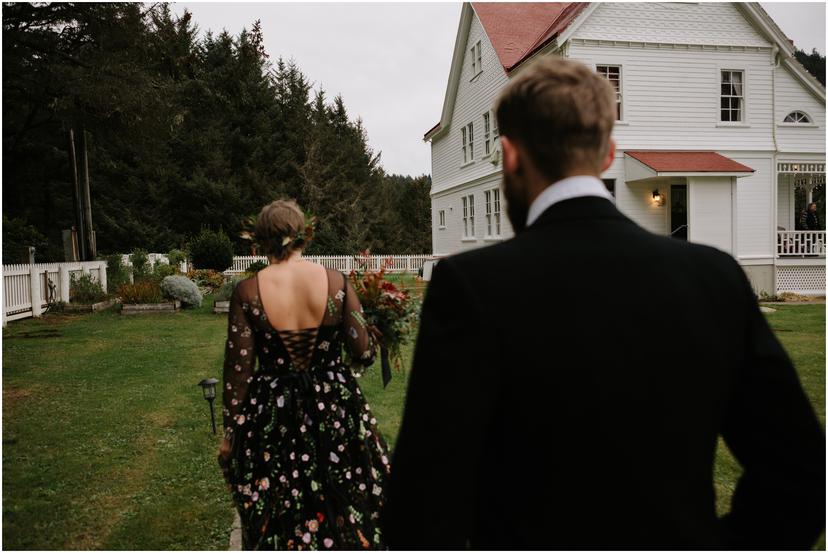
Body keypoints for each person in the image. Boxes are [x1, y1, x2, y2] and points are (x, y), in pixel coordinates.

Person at [382, 57, 825, 549]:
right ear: (608, 153)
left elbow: (421, 509)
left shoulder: (469, 286)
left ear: (509, 156)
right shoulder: (714, 277)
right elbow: (802, 471)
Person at [218, 199, 390, 550]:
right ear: (302, 236)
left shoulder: (248, 292)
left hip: (272, 414)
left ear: (260, 240)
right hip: (335, 409)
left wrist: (231, 433)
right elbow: (363, 353)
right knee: (346, 494)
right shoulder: (336, 282)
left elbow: (239, 374)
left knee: (281, 507)